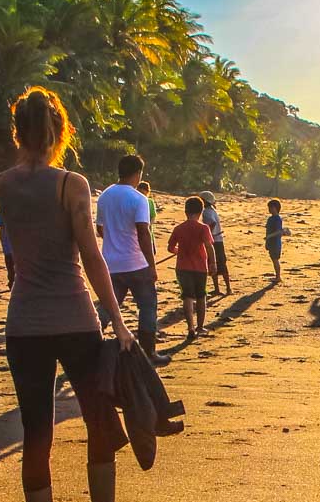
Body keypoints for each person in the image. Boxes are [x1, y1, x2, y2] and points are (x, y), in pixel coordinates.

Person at [0, 86, 138, 502]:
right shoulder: (71, 184)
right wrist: (118, 320)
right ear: (61, 132)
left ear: (18, 131)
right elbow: (91, 257)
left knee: (36, 431)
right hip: (75, 318)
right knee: (98, 418)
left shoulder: (1, 184)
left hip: (23, 323)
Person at [94, 155, 169, 367]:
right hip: (135, 263)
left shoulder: (105, 196)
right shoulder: (139, 199)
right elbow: (143, 233)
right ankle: (149, 352)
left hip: (111, 262)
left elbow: (100, 228)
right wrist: (151, 265)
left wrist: (115, 240)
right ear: (138, 174)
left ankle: (92, 343)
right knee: (147, 305)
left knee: (109, 305)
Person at [168, 197, 216, 341]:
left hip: (182, 267)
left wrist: (178, 251)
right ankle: (200, 327)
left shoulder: (179, 228)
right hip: (200, 267)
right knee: (201, 296)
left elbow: (170, 248)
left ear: (186, 211)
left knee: (187, 297)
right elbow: (209, 247)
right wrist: (213, 263)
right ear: (200, 212)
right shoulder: (203, 228)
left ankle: (190, 327)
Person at [199, 190, 232, 296]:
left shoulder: (207, 212)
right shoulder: (212, 210)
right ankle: (226, 288)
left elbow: (212, 223)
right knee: (220, 264)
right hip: (218, 240)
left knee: (214, 263)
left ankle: (221, 288)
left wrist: (208, 235)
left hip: (214, 241)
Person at [264, 198, 285, 283]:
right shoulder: (271, 218)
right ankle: (277, 276)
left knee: (275, 259)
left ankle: (278, 277)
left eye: (271, 208)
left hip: (275, 242)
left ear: (275, 208)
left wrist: (270, 236)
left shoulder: (277, 219)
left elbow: (279, 231)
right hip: (271, 242)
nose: (269, 209)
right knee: (273, 259)